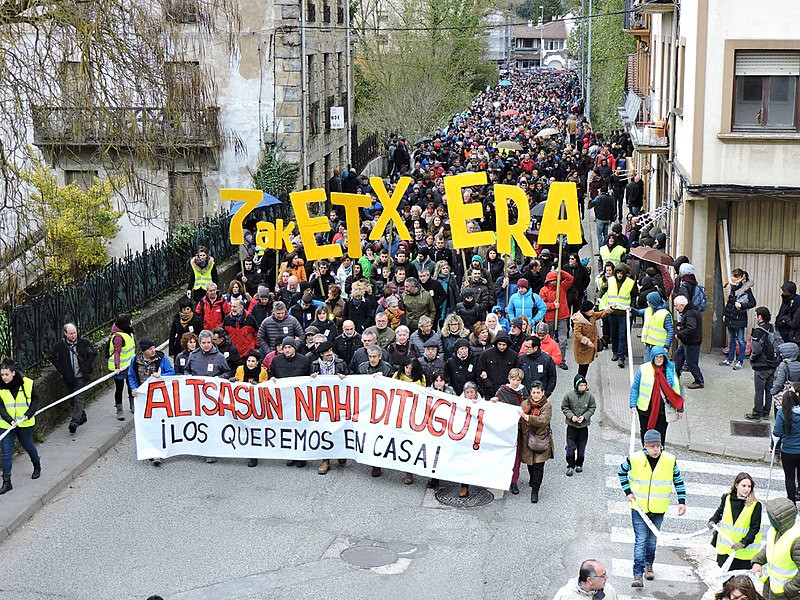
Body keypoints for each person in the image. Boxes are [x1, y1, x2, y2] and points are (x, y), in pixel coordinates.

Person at [618, 429, 687, 588]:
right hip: (639, 508)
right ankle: (637, 574)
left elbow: (678, 480)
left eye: (658, 446)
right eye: (652, 446)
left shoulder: (669, 460)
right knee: (641, 540)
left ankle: (649, 565)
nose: (656, 449)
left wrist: (681, 501)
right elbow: (621, 472)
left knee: (652, 541)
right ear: (645, 446)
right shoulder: (634, 458)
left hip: (658, 509)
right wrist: (628, 492)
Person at [0, 359, 41, 494]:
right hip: (6, 424)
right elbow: (1, 407)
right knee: (6, 452)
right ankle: (7, 482)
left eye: (6, 374)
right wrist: (10, 421)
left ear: (13, 373)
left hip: (25, 423)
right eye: (2, 375)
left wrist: (29, 414)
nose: (4, 377)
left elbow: (35, 399)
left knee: (28, 446)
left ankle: (37, 465)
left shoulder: (27, 383)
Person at [707, 472, 763, 571]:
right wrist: (713, 520)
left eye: (749, 486)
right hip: (725, 551)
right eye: (743, 486)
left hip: (743, 555)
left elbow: (755, 528)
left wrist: (743, 543)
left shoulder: (755, 505)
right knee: (725, 578)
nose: (746, 489)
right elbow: (720, 511)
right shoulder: (726, 498)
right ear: (736, 485)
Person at [630, 347, 684, 446]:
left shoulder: (670, 370)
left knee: (660, 436)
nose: (659, 359)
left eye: (661, 357)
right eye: (657, 357)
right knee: (645, 434)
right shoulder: (643, 369)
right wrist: (632, 404)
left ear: (664, 358)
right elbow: (635, 388)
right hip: (645, 410)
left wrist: (680, 409)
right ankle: (646, 451)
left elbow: (677, 390)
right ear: (652, 358)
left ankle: (659, 453)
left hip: (662, 412)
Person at [309, 340, 348, 475]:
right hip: (321, 403)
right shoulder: (314, 364)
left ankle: (340, 452)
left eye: (331, 350)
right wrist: (312, 378)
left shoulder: (340, 363)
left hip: (338, 401)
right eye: (327, 352)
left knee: (339, 427)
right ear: (321, 354)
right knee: (324, 430)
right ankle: (325, 460)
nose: (330, 353)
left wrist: (345, 378)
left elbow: (350, 379)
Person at [50, 322, 98, 432]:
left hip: (82, 376)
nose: (73, 335)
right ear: (65, 333)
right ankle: (82, 415)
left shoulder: (84, 343)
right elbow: (54, 359)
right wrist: (63, 371)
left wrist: (86, 365)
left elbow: (92, 354)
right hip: (69, 377)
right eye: (71, 333)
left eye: (75, 333)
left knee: (78, 397)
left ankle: (74, 422)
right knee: (72, 399)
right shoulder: (59, 346)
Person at [751, 497, 800, 600]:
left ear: (781, 520)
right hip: (770, 587)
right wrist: (757, 561)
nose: (769, 520)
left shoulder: (797, 540)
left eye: (771, 518)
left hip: (787, 595)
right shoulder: (774, 530)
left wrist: (790, 589)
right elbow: (770, 548)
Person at [518, 382, 553, 503]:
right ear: (530, 393)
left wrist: (527, 417)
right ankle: (533, 480)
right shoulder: (524, 404)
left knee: (538, 466)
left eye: (538, 392)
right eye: (534, 392)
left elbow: (543, 421)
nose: (536, 395)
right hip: (527, 439)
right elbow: (519, 421)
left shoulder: (547, 406)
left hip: (540, 440)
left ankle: (535, 490)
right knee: (530, 464)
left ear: (543, 393)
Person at [601, 263, 637, 369]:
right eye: (617, 273)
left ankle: (621, 357)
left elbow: (634, 296)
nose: (619, 275)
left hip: (624, 314)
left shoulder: (630, 282)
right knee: (614, 334)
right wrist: (598, 299)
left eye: (621, 273)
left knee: (622, 335)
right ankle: (615, 352)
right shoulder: (610, 281)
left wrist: (632, 309)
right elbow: (603, 289)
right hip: (613, 313)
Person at [748, 307, 780, 421]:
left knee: (759, 391)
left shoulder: (758, 331)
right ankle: (766, 413)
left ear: (760, 317)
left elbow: (756, 349)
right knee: (769, 390)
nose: (755, 317)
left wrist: (752, 359)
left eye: (756, 315)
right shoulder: (773, 328)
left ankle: (757, 414)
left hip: (761, 365)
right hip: (773, 364)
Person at [561, 375, 596, 477]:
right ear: (576, 386)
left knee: (581, 448)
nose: (583, 387)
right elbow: (564, 407)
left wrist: (585, 417)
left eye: (584, 385)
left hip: (583, 427)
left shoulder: (589, 396)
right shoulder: (569, 395)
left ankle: (579, 464)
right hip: (572, 426)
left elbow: (592, 408)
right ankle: (570, 465)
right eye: (581, 385)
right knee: (570, 448)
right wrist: (571, 416)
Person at [721, 269, 756, 370]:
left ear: (740, 277)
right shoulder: (732, 287)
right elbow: (729, 302)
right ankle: (730, 359)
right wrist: (725, 314)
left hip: (740, 319)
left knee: (741, 340)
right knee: (731, 339)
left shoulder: (746, 288)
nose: (732, 278)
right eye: (732, 276)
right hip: (730, 318)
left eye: (734, 276)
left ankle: (740, 361)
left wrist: (742, 305)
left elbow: (753, 303)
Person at [539, 269, 573, 368]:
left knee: (563, 341)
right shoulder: (543, 290)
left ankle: (561, 360)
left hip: (562, 317)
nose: (553, 282)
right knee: (549, 340)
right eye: (551, 281)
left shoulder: (561, 287)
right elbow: (542, 305)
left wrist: (560, 272)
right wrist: (553, 305)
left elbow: (570, 279)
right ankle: (549, 359)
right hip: (550, 318)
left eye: (555, 280)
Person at [774, 384, 800, 502]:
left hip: (788, 451)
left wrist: (772, 446)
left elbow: (777, 433)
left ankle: (791, 501)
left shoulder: (782, 413)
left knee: (790, 477)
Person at [476, 331, 518, 400]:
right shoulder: (486, 354)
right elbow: (479, 371)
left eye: (504, 345)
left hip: (507, 391)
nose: (501, 347)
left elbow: (516, 372)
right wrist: (487, 383)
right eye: (499, 344)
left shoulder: (514, 356)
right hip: (489, 391)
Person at [674, 295, 704, 389]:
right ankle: (676, 375)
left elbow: (691, 329)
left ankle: (699, 381)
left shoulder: (690, 313)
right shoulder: (690, 312)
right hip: (688, 342)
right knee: (678, 355)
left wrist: (680, 334)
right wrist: (681, 326)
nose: (676, 308)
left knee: (691, 363)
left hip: (691, 343)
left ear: (682, 305)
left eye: (676, 306)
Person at [108, 313, 135, 419]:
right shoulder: (118, 337)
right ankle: (119, 410)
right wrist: (117, 367)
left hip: (129, 366)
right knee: (119, 388)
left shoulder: (129, 333)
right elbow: (117, 352)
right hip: (120, 368)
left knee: (131, 386)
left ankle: (133, 404)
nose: (132, 322)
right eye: (130, 321)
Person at [571, 300, 608, 377]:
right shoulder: (578, 320)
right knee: (582, 368)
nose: (593, 311)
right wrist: (587, 341)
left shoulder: (592, 315)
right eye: (591, 309)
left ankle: (582, 381)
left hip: (590, 347)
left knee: (586, 366)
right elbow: (577, 334)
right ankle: (580, 381)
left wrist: (611, 309)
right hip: (582, 348)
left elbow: (601, 314)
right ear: (585, 311)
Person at [635, 290, 673, 363]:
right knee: (647, 365)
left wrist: (666, 346)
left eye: (648, 301)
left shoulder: (665, 314)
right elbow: (638, 312)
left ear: (653, 302)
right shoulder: (649, 310)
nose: (647, 302)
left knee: (658, 366)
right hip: (649, 344)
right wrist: (630, 309)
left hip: (660, 347)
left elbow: (670, 331)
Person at [552, 559, 618, 600]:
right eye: (602, 576)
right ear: (590, 580)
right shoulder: (565, 596)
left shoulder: (609, 590)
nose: (606, 578)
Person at [777, 281, 800, 345]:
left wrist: (785, 318)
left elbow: (794, 323)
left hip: (792, 336)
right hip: (782, 331)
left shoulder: (796, 303)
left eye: (784, 291)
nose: (783, 293)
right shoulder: (786, 300)